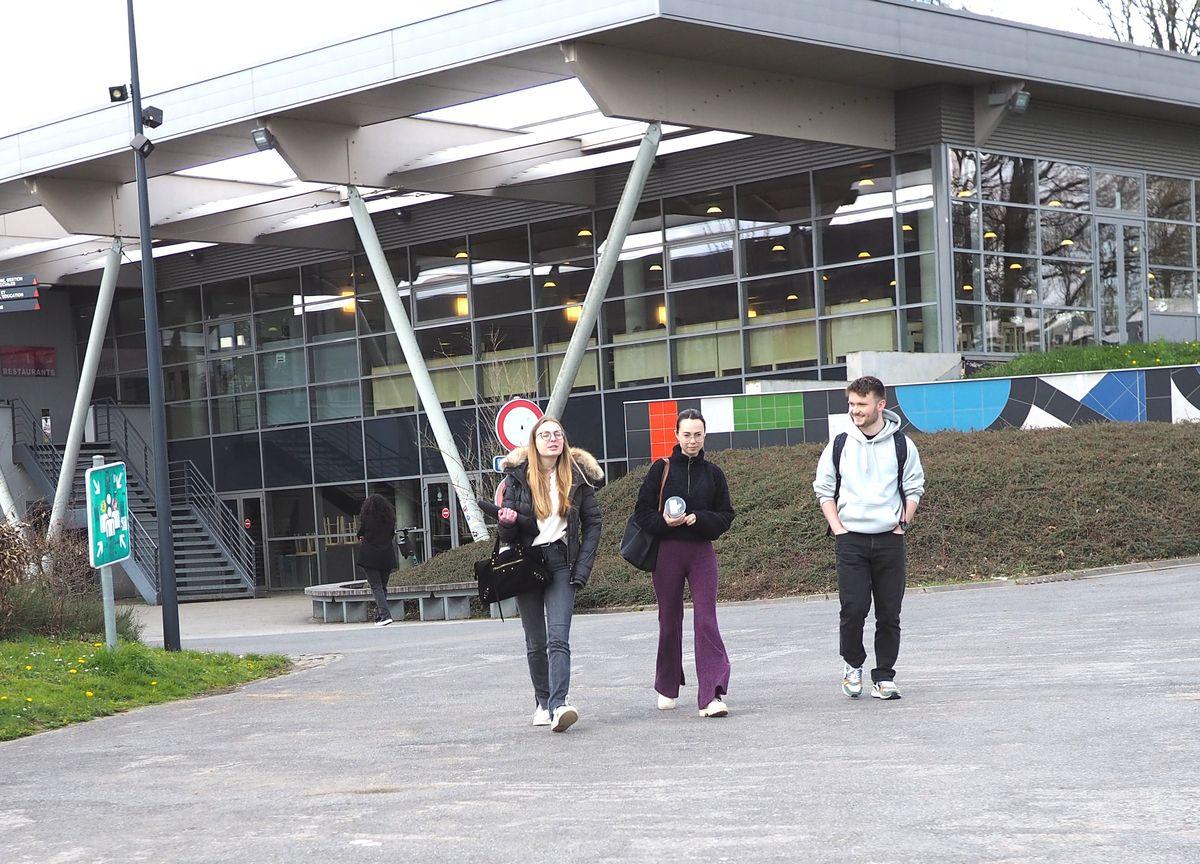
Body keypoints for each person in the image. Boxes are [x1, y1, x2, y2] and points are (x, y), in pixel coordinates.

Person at [813, 376, 926, 700]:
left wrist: (902, 523)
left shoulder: (902, 444)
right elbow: (824, 488)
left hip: (890, 540)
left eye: (861, 405)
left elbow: (914, 486)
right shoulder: (840, 442)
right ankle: (853, 665)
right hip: (851, 540)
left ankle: (884, 677)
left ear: (880, 405)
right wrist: (837, 528)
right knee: (853, 609)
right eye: (851, 404)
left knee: (889, 613)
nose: (855, 411)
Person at [498, 416, 602, 733]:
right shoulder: (518, 478)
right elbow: (506, 535)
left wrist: (581, 568)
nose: (553, 439)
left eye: (557, 433)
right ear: (534, 441)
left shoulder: (578, 476)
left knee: (559, 639)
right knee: (535, 641)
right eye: (545, 434)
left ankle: (559, 705)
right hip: (527, 563)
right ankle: (542, 702)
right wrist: (507, 521)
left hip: (560, 564)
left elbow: (594, 524)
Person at [631, 409, 735, 718]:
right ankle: (667, 684)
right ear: (676, 435)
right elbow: (642, 512)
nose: (692, 440)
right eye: (687, 434)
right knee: (669, 620)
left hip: (701, 551)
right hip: (667, 552)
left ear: (705, 436)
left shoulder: (714, 473)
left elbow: (726, 515)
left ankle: (711, 695)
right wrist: (664, 521)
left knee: (706, 619)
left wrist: (699, 518)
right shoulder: (660, 470)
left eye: (698, 434)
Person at [356, 494, 399, 627]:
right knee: (382, 587)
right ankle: (380, 616)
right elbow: (391, 535)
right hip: (386, 557)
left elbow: (361, 533)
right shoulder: (390, 520)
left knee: (376, 586)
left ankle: (385, 616)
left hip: (370, 557)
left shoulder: (367, 519)